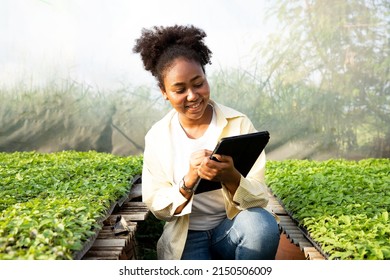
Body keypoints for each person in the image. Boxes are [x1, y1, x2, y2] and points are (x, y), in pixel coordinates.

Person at [133, 25, 280, 260]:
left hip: (230, 228)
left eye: (198, 83)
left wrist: (231, 177)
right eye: (179, 89)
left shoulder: (238, 124)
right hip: (187, 238)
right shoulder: (158, 137)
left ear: (205, 76)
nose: (192, 95)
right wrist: (189, 181)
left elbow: (259, 198)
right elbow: (158, 207)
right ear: (164, 92)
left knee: (261, 227)